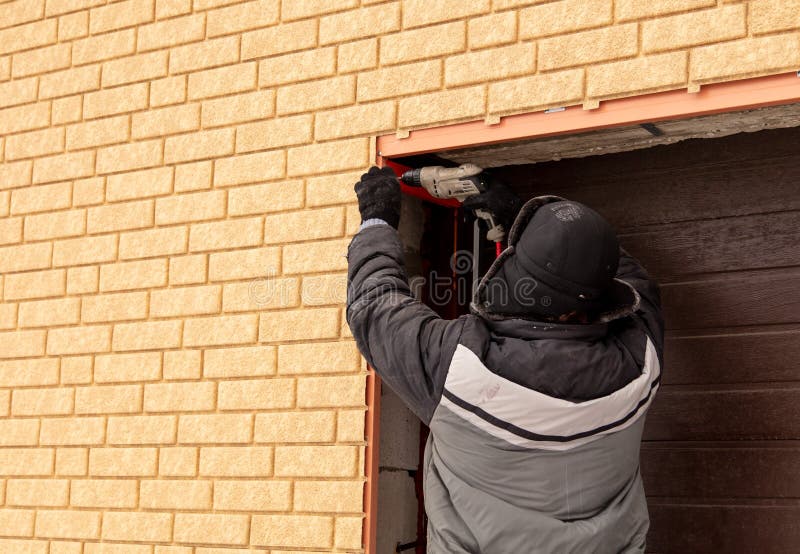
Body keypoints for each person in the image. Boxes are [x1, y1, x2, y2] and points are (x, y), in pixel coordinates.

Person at [346, 166, 665, 553]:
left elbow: (374, 307)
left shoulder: (459, 367)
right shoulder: (640, 360)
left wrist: (377, 218)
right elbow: (631, 280)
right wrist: (527, 223)